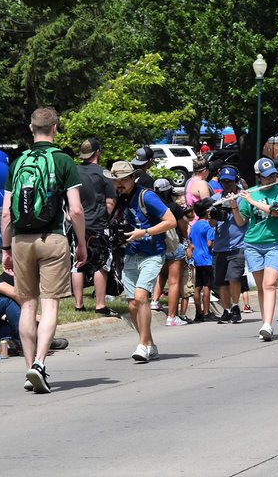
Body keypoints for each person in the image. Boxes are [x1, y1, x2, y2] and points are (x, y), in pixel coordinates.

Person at [0, 107, 87, 394]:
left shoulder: (18, 162)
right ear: (56, 128)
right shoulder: (63, 160)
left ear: (30, 128)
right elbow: (75, 209)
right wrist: (82, 243)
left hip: (21, 240)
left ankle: (28, 369)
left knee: (27, 304)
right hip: (53, 239)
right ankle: (40, 363)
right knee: (50, 304)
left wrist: (5, 247)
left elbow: (4, 214)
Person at [104, 161, 176, 362]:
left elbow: (170, 221)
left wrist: (143, 232)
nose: (119, 184)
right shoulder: (122, 198)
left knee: (141, 297)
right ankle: (149, 343)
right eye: (115, 181)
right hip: (131, 255)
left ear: (132, 178)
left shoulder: (147, 196)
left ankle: (142, 345)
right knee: (133, 304)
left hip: (152, 254)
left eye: (122, 180)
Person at [235, 158, 278, 342]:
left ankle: (267, 324)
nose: (271, 179)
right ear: (259, 177)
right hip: (253, 243)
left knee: (269, 284)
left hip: (276, 242)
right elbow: (241, 222)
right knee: (261, 286)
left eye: (273, 175)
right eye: (267, 177)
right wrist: (234, 206)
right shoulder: (250, 193)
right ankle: (265, 322)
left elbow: (275, 212)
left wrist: (252, 200)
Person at [72, 138, 117, 316]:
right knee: (100, 263)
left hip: (78, 223)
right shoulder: (104, 173)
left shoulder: (74, 171)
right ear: (97, 152)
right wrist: (105, 217)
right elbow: (110, 201)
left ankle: (78, 304)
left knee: (78, 263)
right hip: (98, 224)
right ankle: (100, 305)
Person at [211, 166, 248, 324]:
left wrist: (233, 206)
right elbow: (212, 223)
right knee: (221, 282)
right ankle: (225, 310)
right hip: (219, 245)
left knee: (234, 278)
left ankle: (235, 307)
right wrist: (213, 214)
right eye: (224, 181)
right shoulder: (216, 198)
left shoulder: (243, 197)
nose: (227, 184)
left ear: (236, 181)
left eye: (230, 181)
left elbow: (241, 222)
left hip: (237, 245)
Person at [152, 179, 191, 326]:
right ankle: (172, 317)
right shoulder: (173, 207)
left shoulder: (152, 206)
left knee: (161, 275)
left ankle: (154, 301)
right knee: (174, 282)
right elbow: (183, 226)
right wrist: (186, 241)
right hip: (173, 246)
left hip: (158, 246)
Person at [188, 201, 215, 322]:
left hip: (195, 258)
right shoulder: (208, 226)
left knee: (197, 286)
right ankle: (206, 312)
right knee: (207, 286)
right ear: (207, 212)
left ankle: (198, 313)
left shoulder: (194, 226)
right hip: (207, 258)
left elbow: (190, 241)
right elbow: (209, 243)